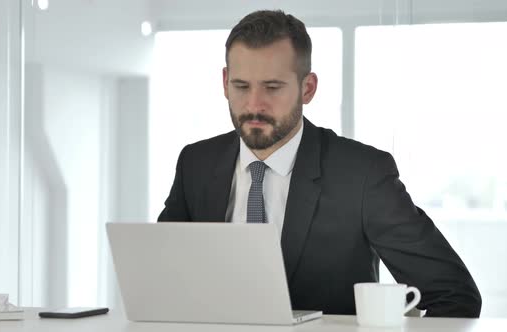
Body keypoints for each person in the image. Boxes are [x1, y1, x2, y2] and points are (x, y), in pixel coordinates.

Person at [158, 9, 481, 318]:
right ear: (225, 81)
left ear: (307, 88)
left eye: (272, 87)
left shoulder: (362, 174)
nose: (254, 104)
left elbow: (455, 295)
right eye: (241, 86)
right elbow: (161, 281)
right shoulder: (195, 164)